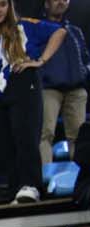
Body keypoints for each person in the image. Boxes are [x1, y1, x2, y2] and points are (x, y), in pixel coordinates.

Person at [0, 0, 67, 201]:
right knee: (2, 148)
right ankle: (14, 189)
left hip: (23, 87)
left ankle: (30, 186)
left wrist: (41, 61)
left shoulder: (25, 27)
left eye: (2, 4)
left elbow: (59, 32)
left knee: (25, 138)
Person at [39, 0, 90, 164]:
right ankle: (44, 181)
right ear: (46, 4)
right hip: (49, 89)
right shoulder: (37, 29)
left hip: (76, 90)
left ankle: (81, 181)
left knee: (79, 136)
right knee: (45, 134)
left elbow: (85, 57)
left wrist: (84, 72)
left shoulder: (75, 31)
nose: (61, 2)